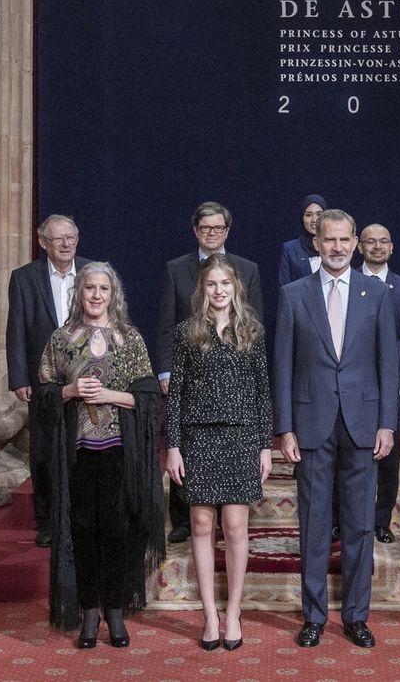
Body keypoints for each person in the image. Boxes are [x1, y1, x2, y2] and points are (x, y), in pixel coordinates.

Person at [274, 209, 398, 649]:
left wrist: (388, 422)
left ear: (357, 244)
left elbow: (388, 363)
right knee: (313, 522)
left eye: (347, 240)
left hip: (364, 424)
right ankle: (314, 617)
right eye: (330, 240)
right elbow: (283, 365)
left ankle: (357, 616)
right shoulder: (293, 294)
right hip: (311, 424)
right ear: (317, 242)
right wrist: (284, 428)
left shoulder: (377, 293)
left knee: (361, 525)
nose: (339, 248)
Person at [34, 262, 164, 649]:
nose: (95, 295)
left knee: (117, 531)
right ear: (79, 293)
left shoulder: (129, 338)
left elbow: (149, 397)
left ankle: (117, 612)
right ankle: (89, 610)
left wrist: (109, 396)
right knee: (83, 532)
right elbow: (43, 396)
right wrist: (70, 392)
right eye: (89, 288)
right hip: (76, 455)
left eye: (103, 288)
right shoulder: (62, 339)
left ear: (113, 294)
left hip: (119, 453)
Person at [165, 254, 273, 652]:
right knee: (201, 527)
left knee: (235, 528)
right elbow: (175, 394)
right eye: (211, 284)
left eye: (225, 283)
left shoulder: (253, 332)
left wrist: (266, 445)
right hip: (198, 439)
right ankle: (210, 616)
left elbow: (263, 391)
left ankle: (233, 614)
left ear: (235, 287)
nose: (218, 290)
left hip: (242, 438)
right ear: (202, 289)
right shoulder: (186, 333)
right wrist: (173, 446)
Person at [155, 201, 263, 544]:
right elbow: (166, 326)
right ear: (195, 231)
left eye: (218, 228)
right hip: (189, 373)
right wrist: (165, 372)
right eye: (205, 228)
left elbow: (253, 324)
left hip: (234, 384)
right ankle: (183, 519)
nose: (212, 234)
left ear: (227, 232)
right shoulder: (176, 268)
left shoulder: (247, 269)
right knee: (183, 447)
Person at [6, 214, 89, 548]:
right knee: (44, 449)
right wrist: (18, 376)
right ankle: (48, 521)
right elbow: (16, 330)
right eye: (59, 239)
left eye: (71, 237)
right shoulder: (25, 278)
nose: (67, 244)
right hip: (43, 378)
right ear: (43, 243)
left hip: (86, 374)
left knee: (81, 447)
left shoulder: (92, 271)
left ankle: (79, 518)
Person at [358, 223, 400, 544]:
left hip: (388, 385)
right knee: (350, 455)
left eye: (383, 242)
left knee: (388, 458)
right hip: (352, 384)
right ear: (360, 247)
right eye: (371, 242)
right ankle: (343, 520)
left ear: (391, 248)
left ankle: (382, 521)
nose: (377, 247)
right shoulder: (349, 282)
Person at [277, 194, 328, 286]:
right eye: (308, 215)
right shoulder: (290, 249)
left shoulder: (335, 246)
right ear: (302, 218)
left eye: (319, 214)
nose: (314, 220)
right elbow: (284, 288)